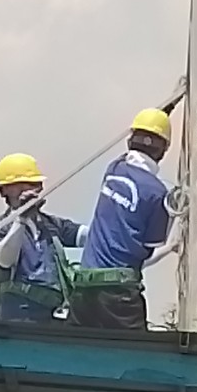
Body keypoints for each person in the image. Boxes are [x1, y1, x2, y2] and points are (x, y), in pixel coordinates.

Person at [68, 108, 181, 330]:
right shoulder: (157, 194)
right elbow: (149, 249)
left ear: (130, 141)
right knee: (131, 350)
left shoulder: (114, 168)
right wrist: (173, 214)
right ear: (163, 150)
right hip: (118, 296)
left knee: (78, 347)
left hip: (84, 289)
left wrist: (160, 113)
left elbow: (132, 152)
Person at [0, 153, 87, 323]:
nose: (32, 189)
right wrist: (21, 219)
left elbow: (89, 236)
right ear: (5, 190)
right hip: (20, 317)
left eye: (35, 184)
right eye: (24, 185)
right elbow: (4, 259)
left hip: (54, 315)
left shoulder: (51, 224)